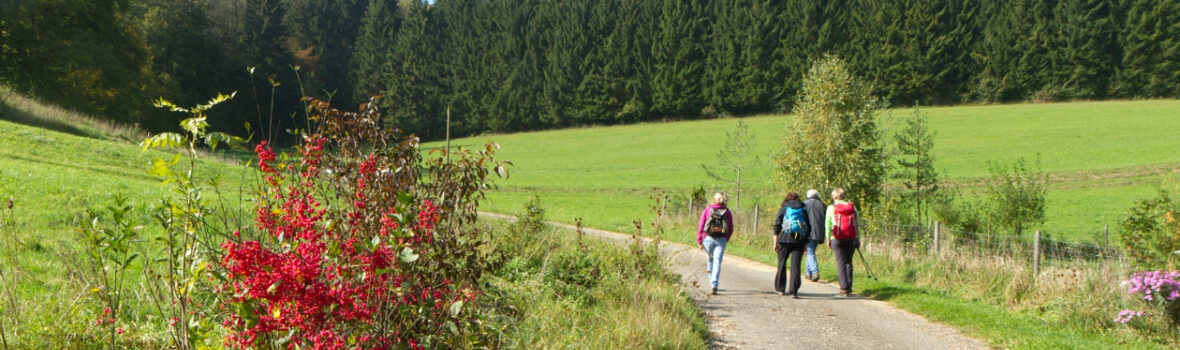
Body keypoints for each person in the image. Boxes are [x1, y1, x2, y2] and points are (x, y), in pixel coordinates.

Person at [772, 192, 808, 298]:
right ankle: (793, 291)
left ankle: (780, 288)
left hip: (784, 238)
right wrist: (805, 242)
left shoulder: (784, 208)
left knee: (782, 263)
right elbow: (808, 227)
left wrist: (775, 242)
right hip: (799, 239)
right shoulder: (803, 209)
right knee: (796, 265)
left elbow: (777, 225)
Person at [697, 192, 734, 295]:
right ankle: (714, 284)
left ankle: (711, 282)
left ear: (714, 199)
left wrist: (699, 240)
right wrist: (726, 239)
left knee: (710, 261)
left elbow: (701, 224)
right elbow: (730, 229)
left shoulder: (708, 209)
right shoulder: (727, 212)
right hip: (721, 239)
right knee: (717, 262)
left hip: (707, 238)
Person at [826, 188, 860, 297]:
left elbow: (827, 224)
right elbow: (857, 223)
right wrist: (857, 237)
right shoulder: (852, 207)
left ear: (834, 197)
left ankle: (843, 288)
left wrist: (828, 238)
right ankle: (849, 286)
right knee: (848, 261)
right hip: (851, 237)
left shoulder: (831, 208)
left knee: (840, 262)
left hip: (836, 237)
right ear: (843, 196)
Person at [803, 189, 827, 281]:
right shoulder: (822, 204)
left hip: (809, 232)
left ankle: (814, 272)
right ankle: (807, 273)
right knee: (810, 251)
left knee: (810, 252)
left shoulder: (805, 204)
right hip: (820, 232)